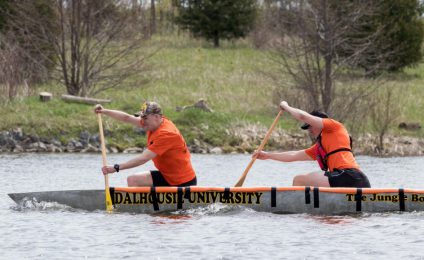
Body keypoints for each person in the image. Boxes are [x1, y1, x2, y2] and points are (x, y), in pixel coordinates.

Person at [254, 101, 370, 188]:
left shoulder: (334, 126)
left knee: (299, 180)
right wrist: (268, 155)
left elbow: (303, 116)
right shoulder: (321, 146)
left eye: (310, 126)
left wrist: (286, 107)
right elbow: (294, 155)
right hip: (360, 181)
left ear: (318, 121)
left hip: (347, 176)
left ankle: (296, 208)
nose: (309, 130)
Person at [94, 101, 197, 187]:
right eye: (142, 118)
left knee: (134, 180)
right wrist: (103, 111)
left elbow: (143, 158)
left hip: (183, 182)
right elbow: (127, 118)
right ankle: (137, 210)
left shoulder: (167, 134)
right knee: (132, 180)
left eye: (145, 118)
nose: (142, 121)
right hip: (167, 176)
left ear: (156, 117)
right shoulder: (154, 123)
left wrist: (116, 167)